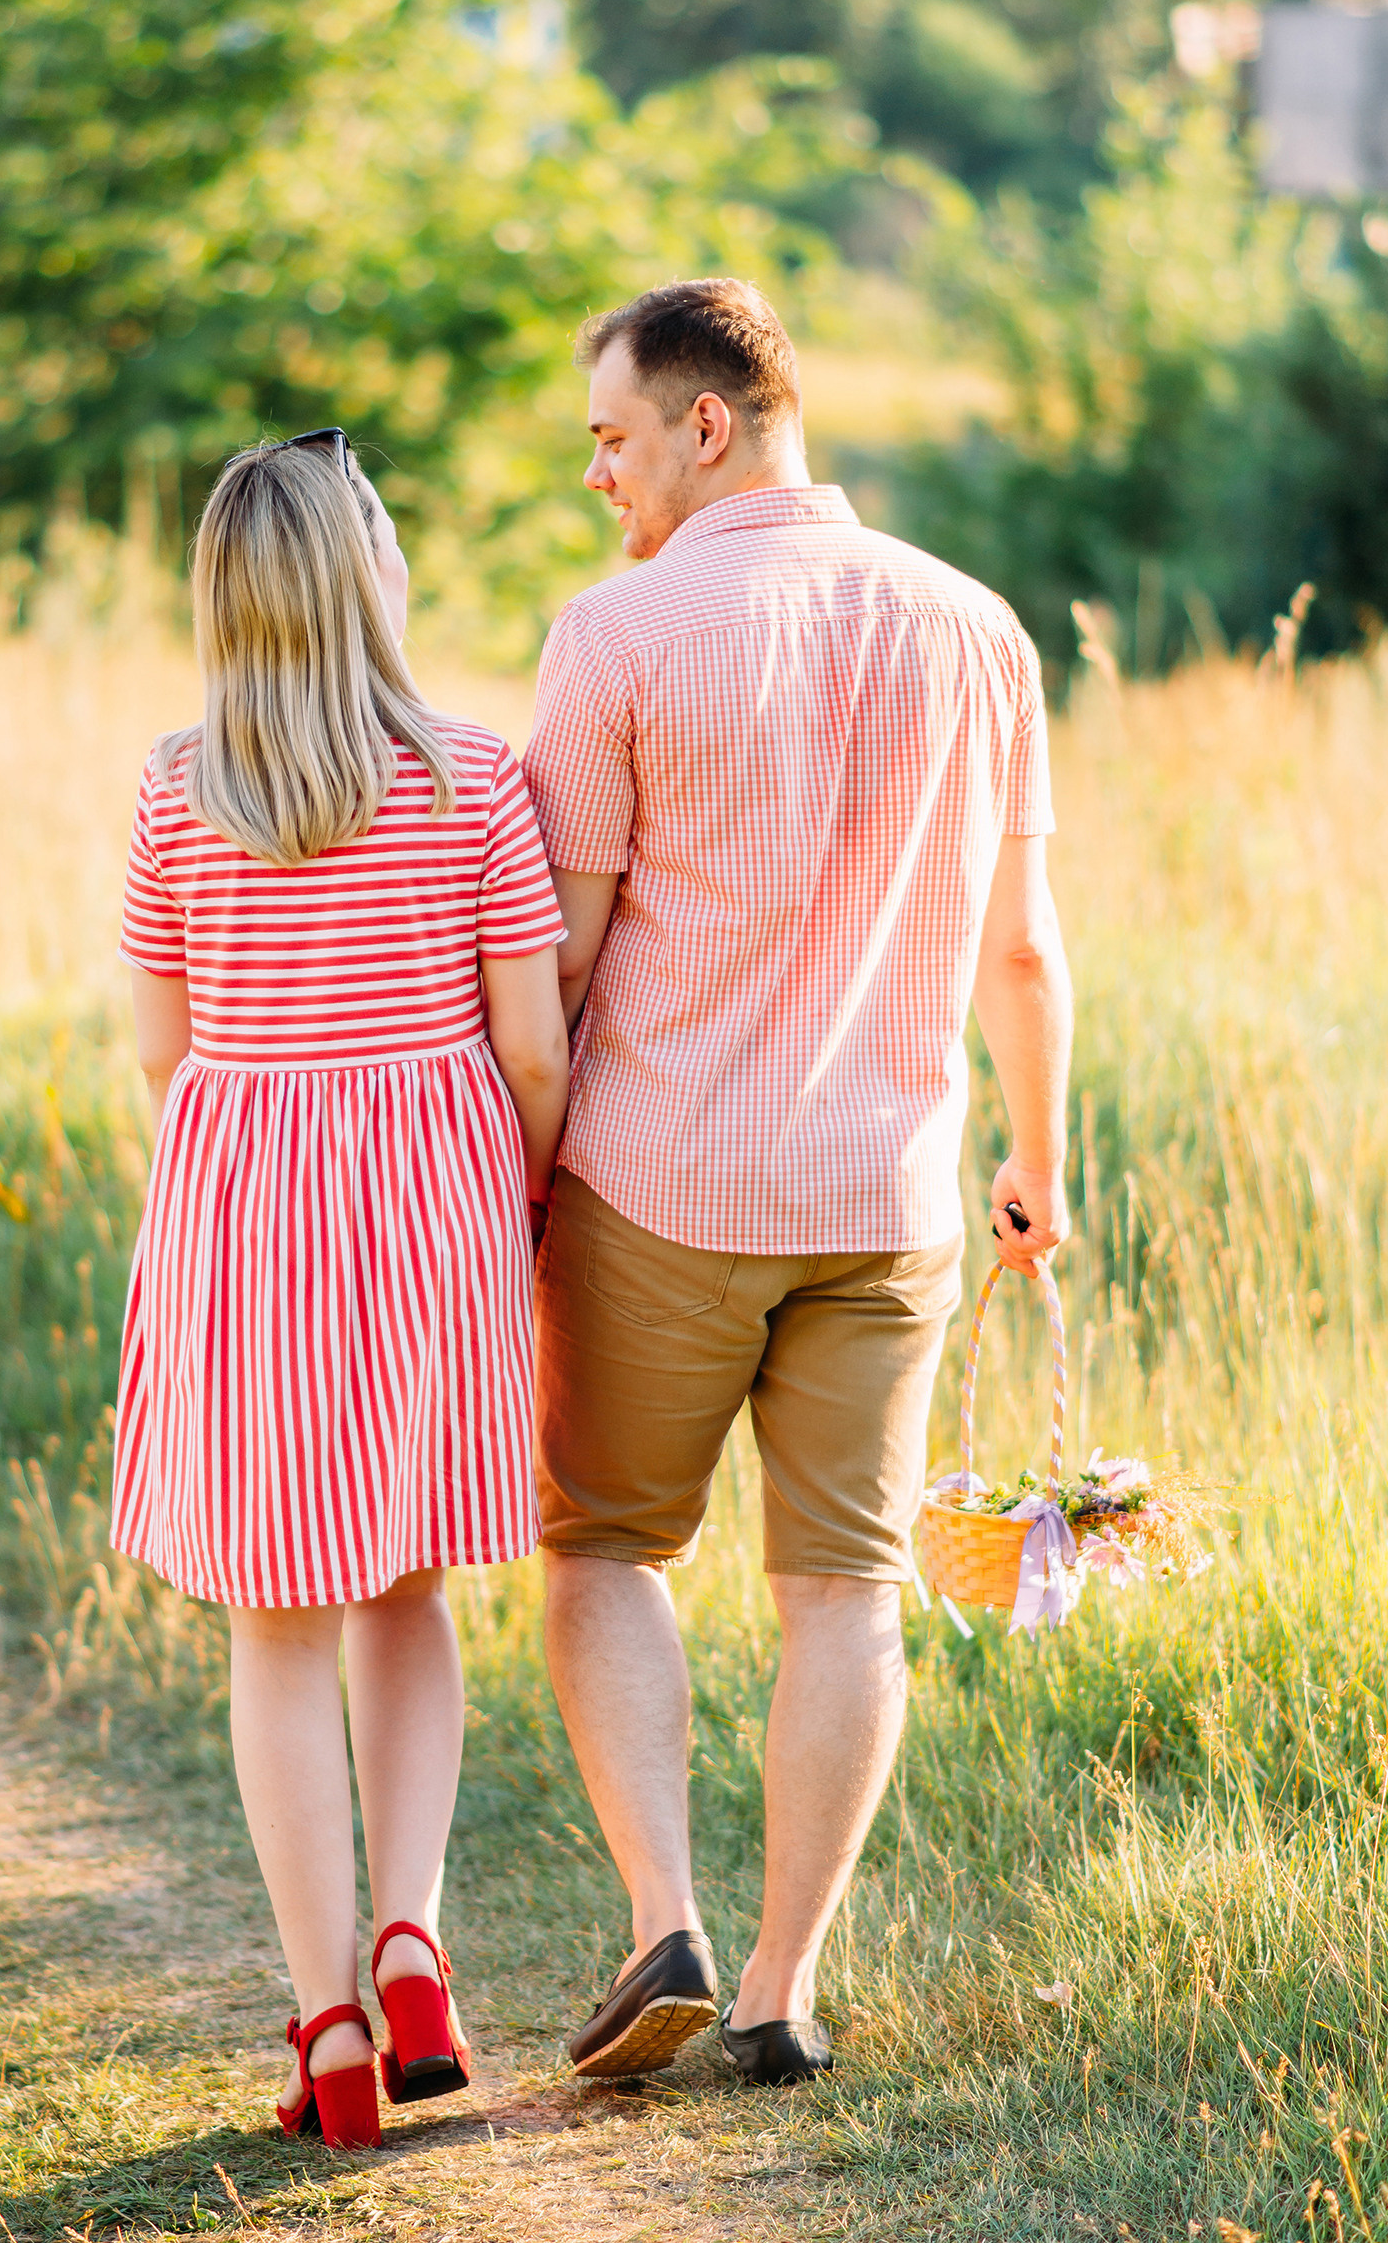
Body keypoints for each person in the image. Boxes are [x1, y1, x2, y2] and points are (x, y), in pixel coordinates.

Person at [522, 278, 1072, 2088]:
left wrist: (513, 1170)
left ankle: (661, 1915)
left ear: (707, 422)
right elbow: (1025, 956)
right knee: (846, 1589)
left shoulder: (612, 640)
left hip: (663, 1183)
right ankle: (776, 1987)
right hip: (891, 1194)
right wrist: (1037, 1159)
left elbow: (568, 961)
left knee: (607, 1544)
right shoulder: (982, 629)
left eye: (612, 437)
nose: (596, 475)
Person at [112, 436, 570, 2151]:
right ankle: (415, 1944)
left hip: (248, 1212)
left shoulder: (178, 787)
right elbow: (531, 1043)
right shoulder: (471, 778)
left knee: (276, 1624)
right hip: (435, 1203)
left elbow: (163, 1051)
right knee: (405, 1592)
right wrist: (505, 1194)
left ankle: (324, 2024)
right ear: (371, 574)